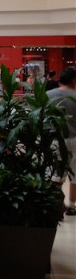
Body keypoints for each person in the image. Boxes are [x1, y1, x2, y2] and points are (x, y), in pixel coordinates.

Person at [47, 66, 76, 216]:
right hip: (75, 140)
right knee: (75, 175)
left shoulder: (48, 95)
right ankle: (71, 206)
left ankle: (56, 206)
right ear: (73, 80)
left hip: (55, 139)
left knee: (56, 175)